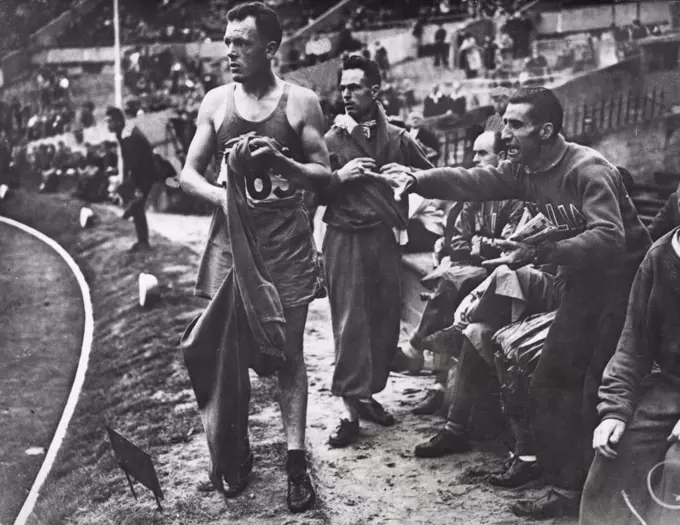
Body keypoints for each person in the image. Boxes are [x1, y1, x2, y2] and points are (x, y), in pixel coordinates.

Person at [370, 86, 652, 519]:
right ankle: (564, 486)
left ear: (546, 130)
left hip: (626, 285)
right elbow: (475, 181)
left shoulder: (587, 168)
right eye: (504, 123)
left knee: (590, 384)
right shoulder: (525, 168)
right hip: (579, 281)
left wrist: (539, 252)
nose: (505, 134)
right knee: (551, 380)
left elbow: (610, 238)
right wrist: (418, 178)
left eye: (515, 125)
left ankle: (595, 496)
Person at [178, 2, 332, 513]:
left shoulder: (300, 102)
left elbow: (325, 177)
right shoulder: (217, 103)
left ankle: (294, 460)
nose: (230, 51)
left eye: (241, 42)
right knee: (229, 355)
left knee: (287, 356)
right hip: (231, 246)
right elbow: (188, 174)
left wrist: (280, 160)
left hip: (285, 247)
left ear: (269, 48)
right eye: (227, 41)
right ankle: (236, 453)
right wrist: (225, 199)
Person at [320, 55, 433, 449]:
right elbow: (308, 188)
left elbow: (431, 177)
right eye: (343, 87)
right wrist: (339, 177)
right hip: (344, 238)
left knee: (383, 321)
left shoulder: (399, 139)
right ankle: (349, 414)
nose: (346, 94)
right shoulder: (330, 140)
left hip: (384, 240)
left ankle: (367, 396)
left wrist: (406, 184)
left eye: (354, 87)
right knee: (351, 323)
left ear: (375, 90)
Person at [401, 130, 524, 415]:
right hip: (474, 268)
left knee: (450, 284)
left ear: (502, 156)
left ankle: (419, 352)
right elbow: (459, 239)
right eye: (474, 152)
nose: (474, 159)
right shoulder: (476, 195)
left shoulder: (515, 197)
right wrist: (479, 246)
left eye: (482, 154)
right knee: (450, 286)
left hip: (504, 273)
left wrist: (479, 245)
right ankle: (438, 386)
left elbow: (511, 245)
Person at [580, 227, 680, 525]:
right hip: (671, 387)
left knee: (677, 467)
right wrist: (614, 409)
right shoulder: (660, 256)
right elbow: (633, 344)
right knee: (616, 450)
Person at [105, 105, 159, 251]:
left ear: (117, 121)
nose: (108, 125)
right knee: (136, 206)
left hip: (145, 172)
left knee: (137, 205)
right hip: (141, 172)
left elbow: (136, 162)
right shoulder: (124, 132)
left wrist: (136, 186)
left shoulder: (127, 135)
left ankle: (143, 241)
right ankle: (142, 240)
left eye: (110, 121)